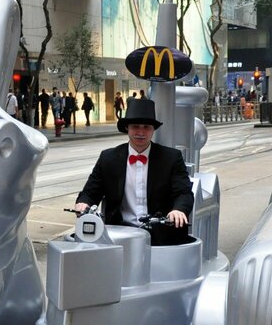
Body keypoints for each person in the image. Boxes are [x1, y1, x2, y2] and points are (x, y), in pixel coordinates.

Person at [73, 98, 193, 246]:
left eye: (146, 127)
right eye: (135, 126)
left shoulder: (171, 158)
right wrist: (83, 203)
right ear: (127, 128)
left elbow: (184, 193)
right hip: (119, 235)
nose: (141, 132)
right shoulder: (108, 158)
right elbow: (90, 192)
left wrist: (178, 210)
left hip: (161, 236)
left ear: (152, 130)